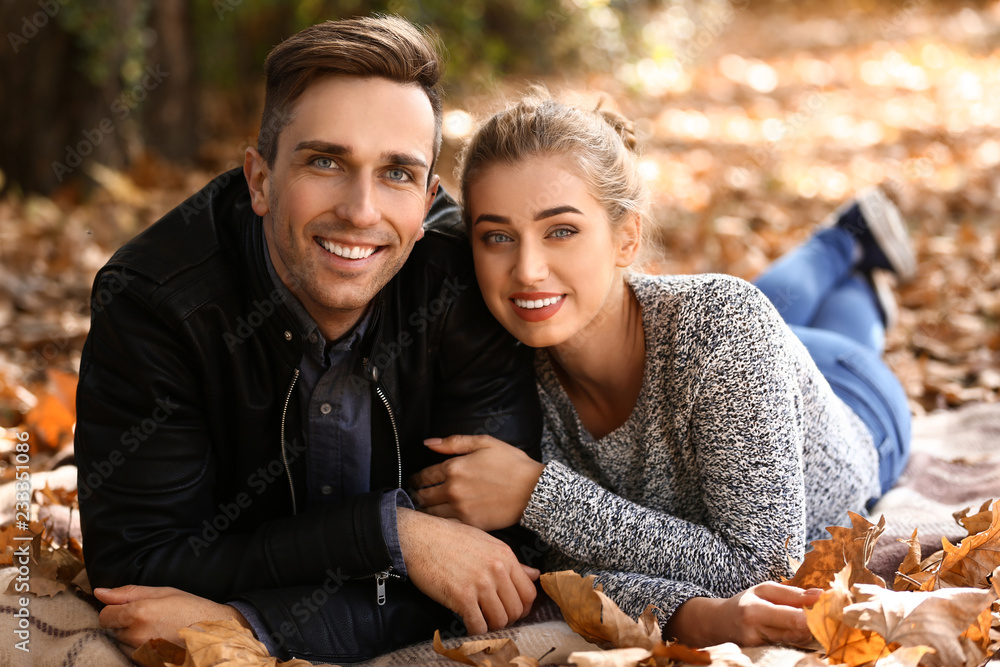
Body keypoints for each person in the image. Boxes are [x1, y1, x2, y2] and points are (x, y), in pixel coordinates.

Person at [74, 16, 543, 662]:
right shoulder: (157, 301)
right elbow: (138, 566)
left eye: (398, 174)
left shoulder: (462, 281)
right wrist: (391, 534)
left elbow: (494, 572)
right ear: (260, 179)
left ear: (430, 193)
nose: (361, 210)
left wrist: (251, 625)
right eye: (326, 161)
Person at [408, 94, 913, 647]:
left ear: (627, 237)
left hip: (857, 399)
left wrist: (538, 494)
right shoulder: (495, 369)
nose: (527, 270)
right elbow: (564, 574)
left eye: (561, 231)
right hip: (753, 355)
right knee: (772, 310)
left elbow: (763, 566)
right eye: (498, 237)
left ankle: (842, 242)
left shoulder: (722, 322)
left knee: (809, 321)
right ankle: (861, 271)